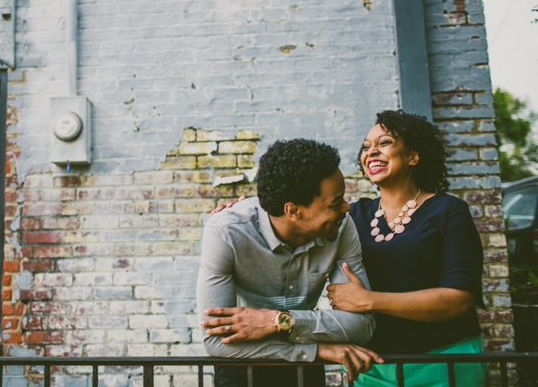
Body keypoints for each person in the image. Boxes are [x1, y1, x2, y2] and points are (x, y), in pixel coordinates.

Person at [197, 138, 383, 387]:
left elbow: (362, 326)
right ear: (293, 211)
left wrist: (280, 321)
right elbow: (217, 342)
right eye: (335, 203)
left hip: (305, 371)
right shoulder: (227, 232)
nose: (347, 208)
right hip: (242, 366)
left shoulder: (341, 227)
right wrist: (317, 350)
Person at [325, 110, 487, 386]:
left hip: (444, 363)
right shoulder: (354, 215)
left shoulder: (449, 211)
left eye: (384, 142)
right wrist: (240, 216)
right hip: (372, 368)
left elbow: (458, 301)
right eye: (366, 147)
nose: (371, 151)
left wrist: (369, 300)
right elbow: (300, 223)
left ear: (414, 156)